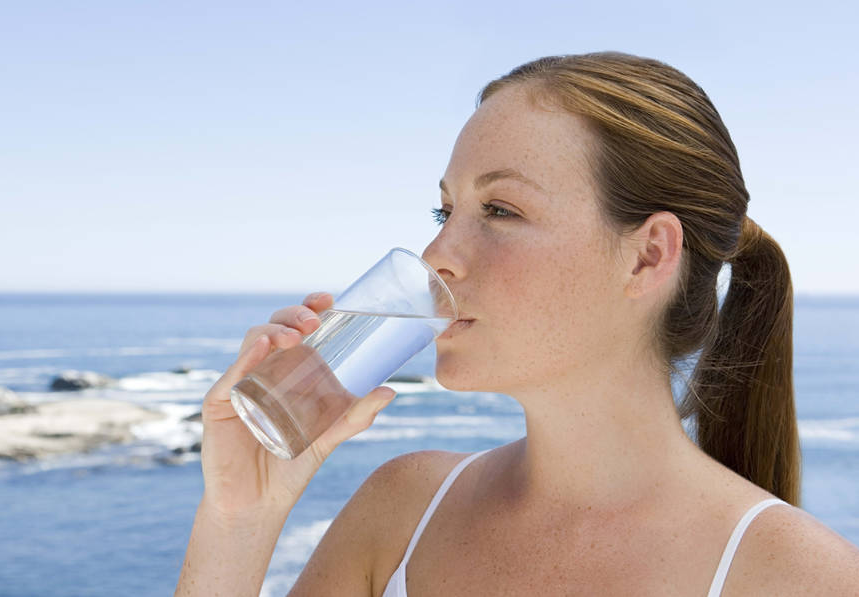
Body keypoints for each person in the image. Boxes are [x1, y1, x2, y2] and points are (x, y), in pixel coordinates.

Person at [175, 52, 859, 596]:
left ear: (649, 256)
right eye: (446, 213)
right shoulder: (403, 508)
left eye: (500, 210)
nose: (437, 256)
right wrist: (239, 516)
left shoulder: (800, 579)